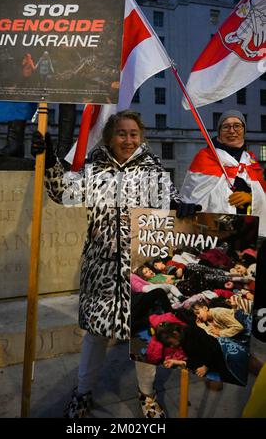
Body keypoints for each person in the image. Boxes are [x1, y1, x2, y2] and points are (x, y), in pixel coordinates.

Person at [31, 109, 199, 419]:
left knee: (146, 334)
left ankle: (147, 396)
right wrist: (50, 162)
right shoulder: (94, 169)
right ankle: (82, 393)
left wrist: (181, 207)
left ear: (141, 137)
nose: (128, 139)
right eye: (121, 133)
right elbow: (62, 193)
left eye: (133, 134)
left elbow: (171, 201)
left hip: (142, 269)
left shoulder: (153, 170)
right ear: (110, 136)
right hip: (102, 270)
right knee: (95, 335)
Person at [180, 110, 266, 237]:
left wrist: (251, 198)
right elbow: (190, 197)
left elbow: (263, 194)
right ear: (219, 133)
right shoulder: (204, 157)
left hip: (246, 235)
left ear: (244, 131)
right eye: (226, 127)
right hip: (212, 234)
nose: (232, 131)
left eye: (237, 125)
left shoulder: (251, 161)